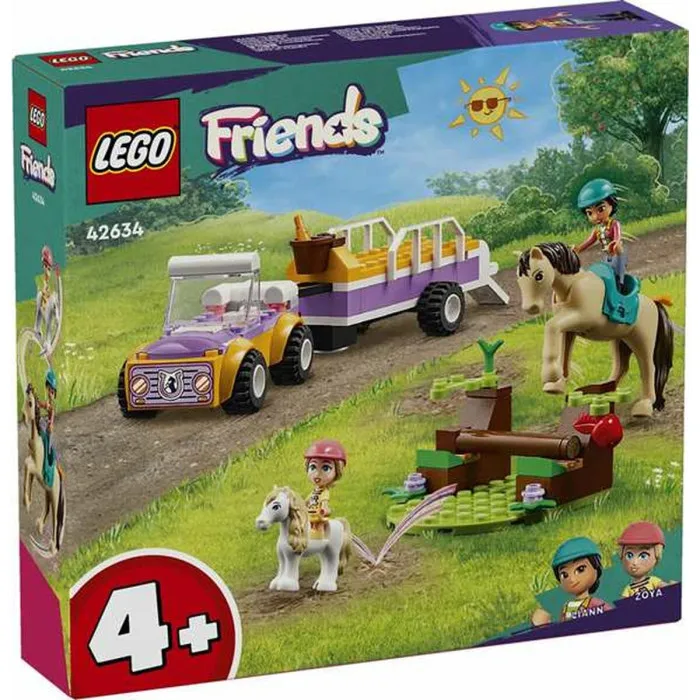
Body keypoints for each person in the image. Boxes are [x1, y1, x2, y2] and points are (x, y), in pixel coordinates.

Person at [532, 537, 612, 625]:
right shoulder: (566, 608)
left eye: (581, 569)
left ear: (596, 568)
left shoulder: (596, 604)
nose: (572, 579)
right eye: (564, 575)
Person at [573, 178, 627, 290]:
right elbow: (589, 242)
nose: (595, 217)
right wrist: (578, 249)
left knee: (617, 275)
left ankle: (620, 286)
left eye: (601, 209)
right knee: (604, 273)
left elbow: (617, 237)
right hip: (607, 255)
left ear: (611, 205)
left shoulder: (614, 224)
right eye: (590, 213)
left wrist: (615, 244)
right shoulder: (597, 230)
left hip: (617, 255)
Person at [304, 439, 347, 540]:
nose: (317, 474)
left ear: (337, 471)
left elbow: (324, 504)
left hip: (317, 517)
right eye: (313, 467)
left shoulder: (324, 493)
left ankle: (319, 540)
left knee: (316, 530)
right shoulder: (314, 492)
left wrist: (324, 510)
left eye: (325, 468)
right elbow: (305, 502)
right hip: (309, 515)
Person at [618, 521, 670, 598]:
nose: (634, 562)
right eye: (629, 555)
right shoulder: (629, 589)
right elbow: (623, 602)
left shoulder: (653, 581)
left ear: (657, 555)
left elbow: (667, 590)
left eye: (643, 556)